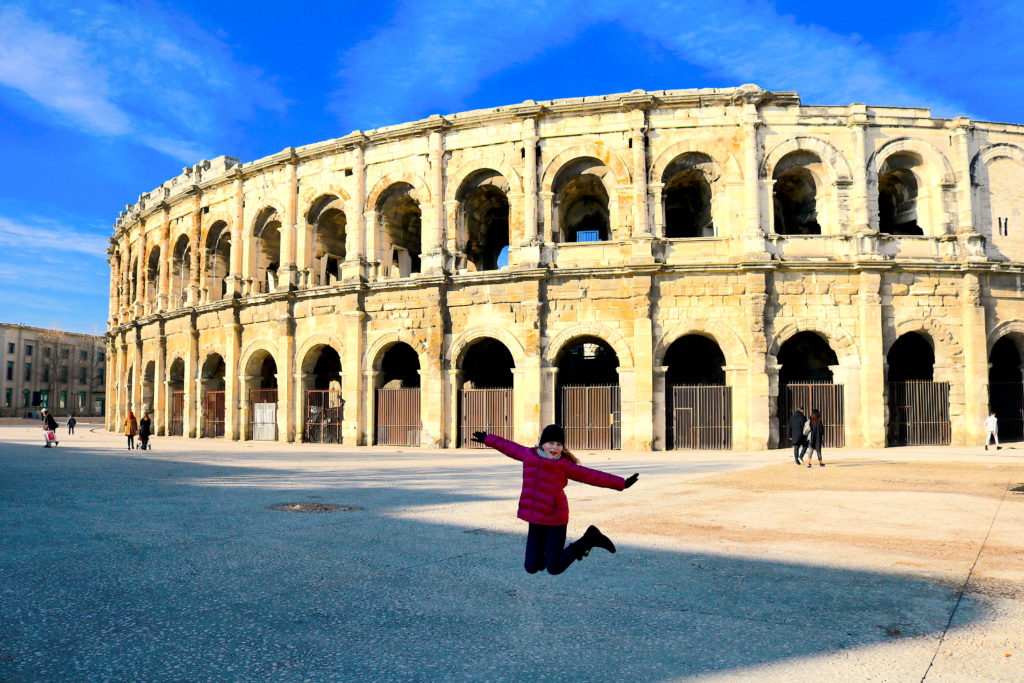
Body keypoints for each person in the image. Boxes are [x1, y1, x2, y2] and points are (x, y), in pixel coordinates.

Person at [472, 424, 639, 575]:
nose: (554, 447)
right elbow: (508, 447)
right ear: (542, 444)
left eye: (559, 444)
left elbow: (591, 475)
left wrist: (621, 483)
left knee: (554, 568)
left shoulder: (564, 465)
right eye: (551, 443)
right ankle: (553, 555)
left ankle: (589, 539)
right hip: (535, 519)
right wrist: (488, 438)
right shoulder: (529, 455)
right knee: (531, 567)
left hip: (555, 519)